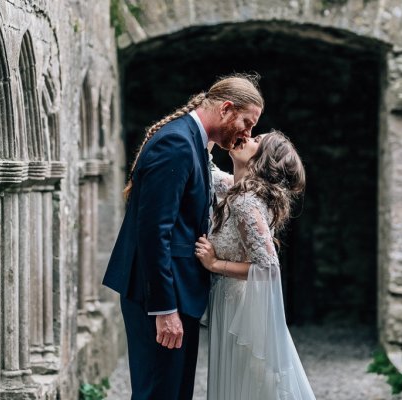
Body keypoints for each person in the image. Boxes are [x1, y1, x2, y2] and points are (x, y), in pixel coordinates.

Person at [102, 74, 264, 400]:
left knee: (175, 392)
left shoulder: (194, 142)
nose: (248, 133)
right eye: (247, 123)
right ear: (226, 109)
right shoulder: (176, 142)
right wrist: (164, 309)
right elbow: (153, 232)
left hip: (178, 291)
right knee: (159, 393)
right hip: (160, 295)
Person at [195, 130, 316, 400]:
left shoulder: (245, 202)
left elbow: (269, 269)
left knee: (252, 384)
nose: (247, 138)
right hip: (229, 301)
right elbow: (204, 166)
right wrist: (215, 131)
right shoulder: (233, 188)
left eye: (256, 141)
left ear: (262, 160)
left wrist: (215, 263)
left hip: (243, 307)